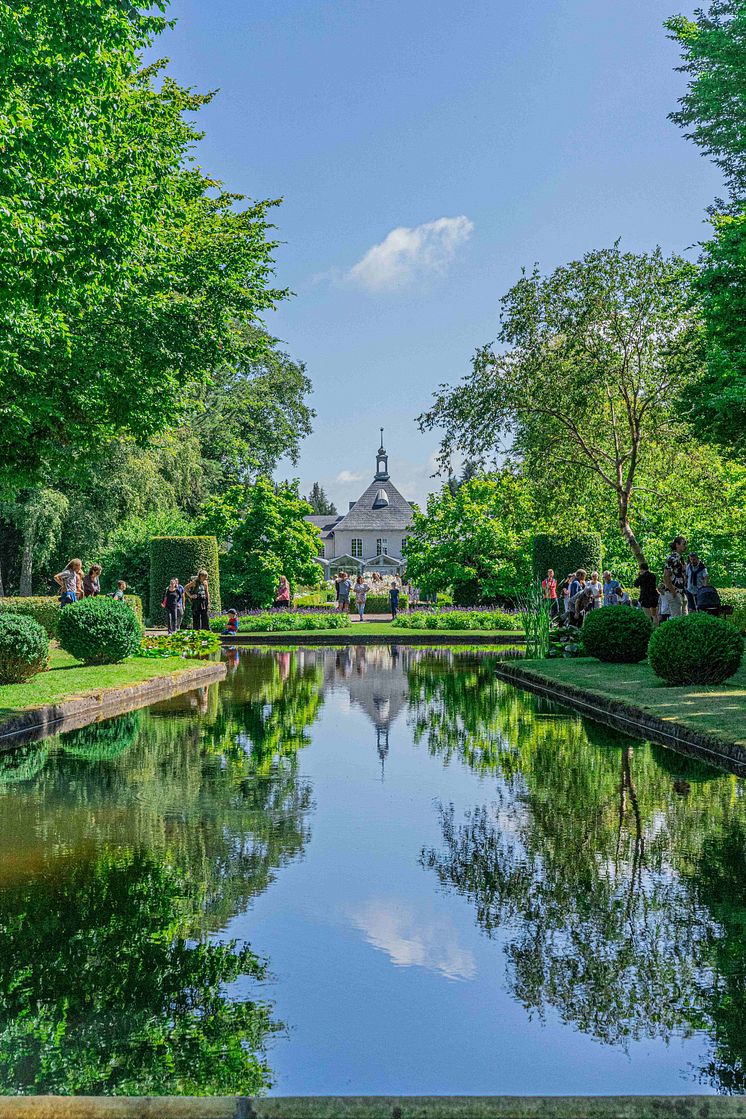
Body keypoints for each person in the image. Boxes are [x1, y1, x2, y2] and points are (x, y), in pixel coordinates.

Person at [663, 535, 688, 617]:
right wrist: (673, 591)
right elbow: (666, 575)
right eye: (683, 544)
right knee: (677, 619)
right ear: (677, 545)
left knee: (685, 619)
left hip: (682, 592)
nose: (685, 546)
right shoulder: (672, 558)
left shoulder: (681, 558)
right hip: (674, 592)